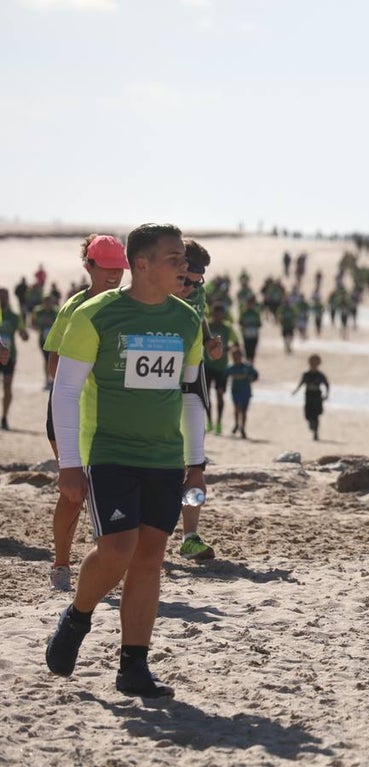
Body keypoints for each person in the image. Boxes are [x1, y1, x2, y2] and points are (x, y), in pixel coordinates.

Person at [45, 222, 205, 698]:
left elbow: (192, 395)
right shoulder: (96, 314)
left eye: (184, 259)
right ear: (142, 265)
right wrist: (69, 465)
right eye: (174, 259)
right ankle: (77, 617)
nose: (184, 267)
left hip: (164, 456)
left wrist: (196, 462)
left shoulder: (185, 320)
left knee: (150, 558)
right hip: (109, 450)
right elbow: (66, 390)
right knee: (117, 549)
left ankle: (133, 666)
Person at [41, 235, 130, 591]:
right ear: (88, 266)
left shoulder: (127, 306)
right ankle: (61, 565)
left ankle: (103, 563)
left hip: (110, 415)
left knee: (110, 490)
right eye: (105, 267)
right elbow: (54, 369)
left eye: (118, 268)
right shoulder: (75, 308)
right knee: (74, 492)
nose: (112, 275)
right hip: (69, 412)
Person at [172, 240, 222, 562]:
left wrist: (209, 343)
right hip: (154, 389)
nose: (190, 287)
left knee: (195, 465)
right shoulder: (152, 293)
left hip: (191, 382)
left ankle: (190, 536)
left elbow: (199, 317)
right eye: (185, 280)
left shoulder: (197, 293)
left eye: (197, 281)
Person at [203, 303, 240, 435]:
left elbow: (236, 344)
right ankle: (209, 422)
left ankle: (219, 422)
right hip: (207, 365)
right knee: (206, 396)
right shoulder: (208, 326)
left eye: (220, 314)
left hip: (222, 367)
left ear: (223, 315)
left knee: (220, 395)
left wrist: (226, 350)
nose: (218, 316)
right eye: (215, 314)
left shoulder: (227, 328)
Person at [0, 287, 30, 430]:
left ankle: (4, 417)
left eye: (4, 296)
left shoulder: (14, 316)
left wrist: (25, 334)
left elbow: (23, 333)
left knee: (7, 386)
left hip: (9, 356)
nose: (2, 299)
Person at [292, 354, 329, 440]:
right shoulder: (306, 374)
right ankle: (312, 425)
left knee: (316, 415)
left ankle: (315, 431)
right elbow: (301, 383)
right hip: (308, 396)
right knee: (308, 414)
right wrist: (296, 390)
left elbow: (327, 384)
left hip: (317, 397)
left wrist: (326, 394)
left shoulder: (320, 375)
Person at [224, 345, 259, 439]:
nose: (236, 358)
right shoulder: (230, 367)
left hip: (246, 391)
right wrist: (221, 388)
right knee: (236, 408)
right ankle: (236, 423)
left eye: (237, 356)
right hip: (235, 391)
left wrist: (251, 379)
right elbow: (224, 377)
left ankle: (242, 427)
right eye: (234, 357)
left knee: (244, 411)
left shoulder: (247, 367)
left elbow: (256, 374)